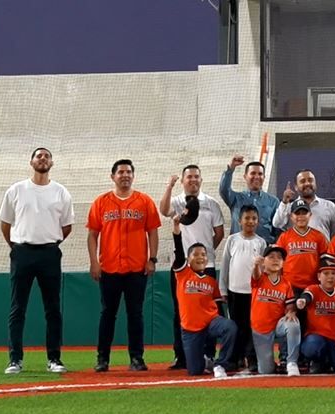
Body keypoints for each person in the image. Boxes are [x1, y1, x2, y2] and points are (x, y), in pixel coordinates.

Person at [0, 147, 74, 375]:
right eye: (38, 155)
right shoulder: (16, 190)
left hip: (49, 254)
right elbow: (5, 223)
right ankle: (15, 360)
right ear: (31, 161)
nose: (43, 159)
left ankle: (54, 359)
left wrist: (49, 243)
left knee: (53, 309)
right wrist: (16, 246)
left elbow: (67, 226)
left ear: (52, 162)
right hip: (22, 253)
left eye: (47, 156)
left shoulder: (61, 192)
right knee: (17, 308)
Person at [87, 159, 161, 373]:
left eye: (129, 172)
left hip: (136, 268)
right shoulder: (101, 202)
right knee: (108, 314)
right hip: (109, 268)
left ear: (133, 176)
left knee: (135, 314)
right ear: (113, 176)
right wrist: (94, 262)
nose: (125, 175)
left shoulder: (144, 201)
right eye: (121, 172)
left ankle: (137, 358)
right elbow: (92, 235)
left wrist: (152, 259)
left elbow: (153, 231)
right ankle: (102, 359)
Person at [159, 165, 225, 370]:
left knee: (210, 311)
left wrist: (203, 258)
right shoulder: (178, 202)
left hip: (208, 266)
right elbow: (163, 210)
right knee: (180, 311)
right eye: (189, 177)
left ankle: (208, 354)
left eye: (196, 177)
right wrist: (169, 186)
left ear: (201, 180)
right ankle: (181, 355)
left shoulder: (211, 204)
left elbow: (219, 233)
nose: (193, 180)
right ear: (183, 181)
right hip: (182, 270)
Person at [170, 216, 237, 378]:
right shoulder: (183, 273)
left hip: (210, 323)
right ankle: (207, 362)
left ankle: (221, 364)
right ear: (188, 259)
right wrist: (176, 226)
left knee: (230, 327)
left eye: (203, 254)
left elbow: (217, 303)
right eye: (196, 254)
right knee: (194, 371)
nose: (200, 257)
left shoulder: (210, 280)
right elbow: (179, 251)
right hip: (191, 329)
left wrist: (223, 321)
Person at [218, 205, 268, 371]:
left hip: (253, 294)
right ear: (239, 221)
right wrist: (223, 290)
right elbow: (225, 266)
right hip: (234, 293)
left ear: (258, 221)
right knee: (236, 327)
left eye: (254, 218)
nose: (250, 221)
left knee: (252, 326)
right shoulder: (232, 240)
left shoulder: (261, 243)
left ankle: (252, 359)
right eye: (247, 218)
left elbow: (263, 271)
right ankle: (236, 358)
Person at [297, 258, 335, 374]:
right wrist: (303, 301)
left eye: (334, 273)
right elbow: (307, 296)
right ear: (319, 276)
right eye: (326, 273)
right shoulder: (313, 289)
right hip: (316, 336)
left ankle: (329, 361)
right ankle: (318, 361)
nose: (330, 277)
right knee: (311, 349)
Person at [250, 245, 300, 376]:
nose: (275, 260)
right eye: (271, 257)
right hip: (261, 329)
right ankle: (272, 361)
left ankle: (290, 362)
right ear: (264, 261)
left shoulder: (285, 283)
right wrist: (256, 265)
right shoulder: (260, 278)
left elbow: (290, 305)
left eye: (279, 258)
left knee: (293, 323)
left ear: (283, 263)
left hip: (278, 325)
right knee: (266, 370)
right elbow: (255, 275)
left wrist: (290, 311)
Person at [276, 199, 331, 297]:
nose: (301, 217)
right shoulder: (284, 237)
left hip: (313, 285)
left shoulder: (319, 236)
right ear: (291, 216)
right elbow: (278, 263)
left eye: (304, 213)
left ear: (310, 215)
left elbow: (325, 262)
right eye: (297, 214)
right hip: (290, 285)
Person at [219, 155, 279, 243]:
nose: (257, 177)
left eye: (260, 174)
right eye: (253, 173)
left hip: (264, 250)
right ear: (245, 176)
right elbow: (223, 189)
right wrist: (230, 169)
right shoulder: (235, 198)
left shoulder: (274, 201)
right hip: (239, 248)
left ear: (264, 177)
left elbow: (277, 228)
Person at [274, 169, 335, 240]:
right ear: (296, 187)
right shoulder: (290, 207)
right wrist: (284, 202)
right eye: (302, 181)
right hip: (296, 250)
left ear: (315, 183)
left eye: (310, 180)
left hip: (324, 250)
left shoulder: (329, 206)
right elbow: (277, 224)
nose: (307, 183)